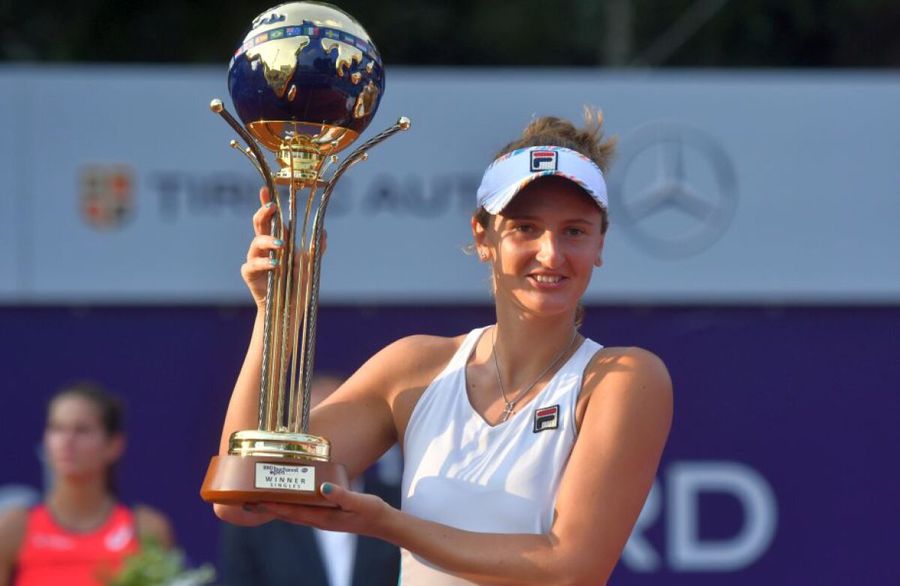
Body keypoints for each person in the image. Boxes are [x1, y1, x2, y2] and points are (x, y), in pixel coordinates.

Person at [214, 110, 673, 585]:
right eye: (526, 228)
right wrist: (277, 315)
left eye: (574, 231)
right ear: (483, 237)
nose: (551, 254)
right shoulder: (414, 368)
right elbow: (247, 492)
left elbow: (570, 569)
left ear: (600, 243)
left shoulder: (624, 378)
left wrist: (388, 524)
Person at [218, 374, 401, 586]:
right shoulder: (257, 515)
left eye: (340, 423)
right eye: (311, 432)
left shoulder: (398, 504)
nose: (325, 443)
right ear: (288, 437)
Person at [0, 383, 174, 586]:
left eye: (82, 430)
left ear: (114, 445)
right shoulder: (14, 527)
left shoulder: (148, 528)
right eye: (56, 428)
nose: (66, 441)